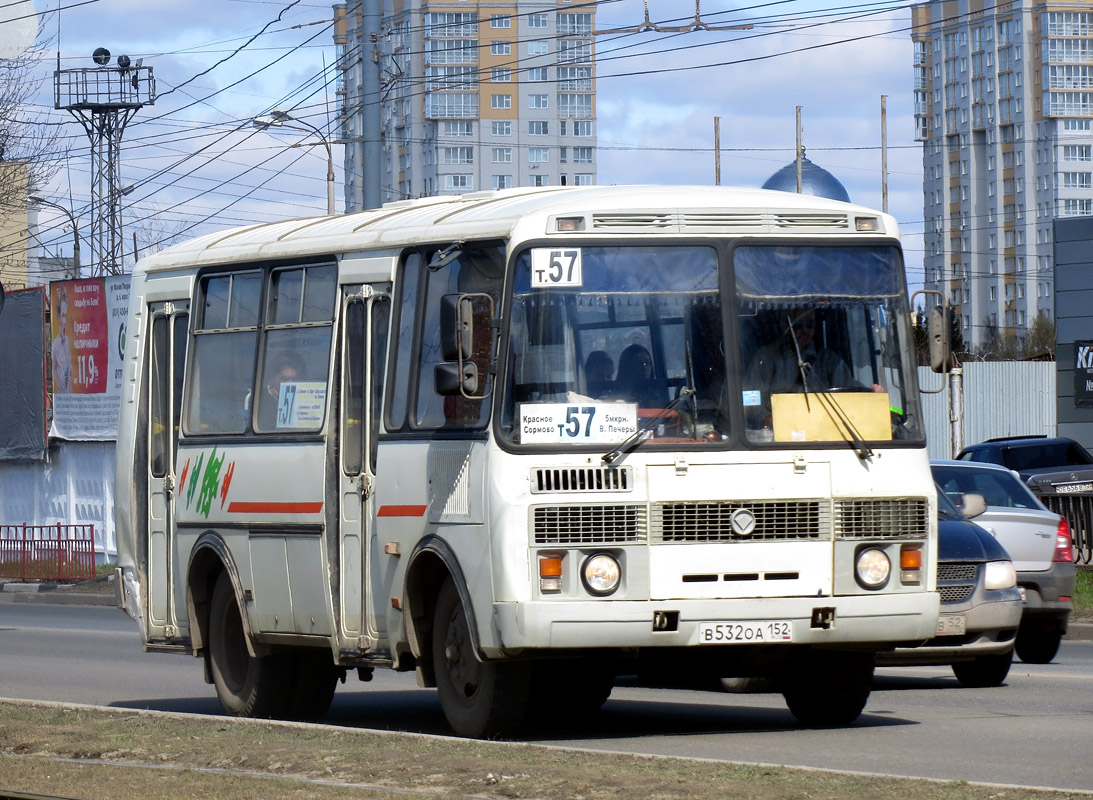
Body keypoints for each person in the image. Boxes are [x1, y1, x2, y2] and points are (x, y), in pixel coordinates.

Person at [258, 354, 301, 430]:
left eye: (294, 380)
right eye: (285, 379)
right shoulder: (260, 400)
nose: (290, 384)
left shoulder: (301, 401)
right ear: (273, 378)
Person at [615, 343, 664, 408]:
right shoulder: (616, 397)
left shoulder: (659, 394)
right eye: (638, 363)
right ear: (626, 367)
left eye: (647, 363)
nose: (644, 367)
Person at [51, 285, 72, 394]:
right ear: (58, 317)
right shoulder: (55, 346)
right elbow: (53, 372)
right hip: (61, 401)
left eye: (66, 315)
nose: (65, 321)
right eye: (63, 315)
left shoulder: (67, 341)